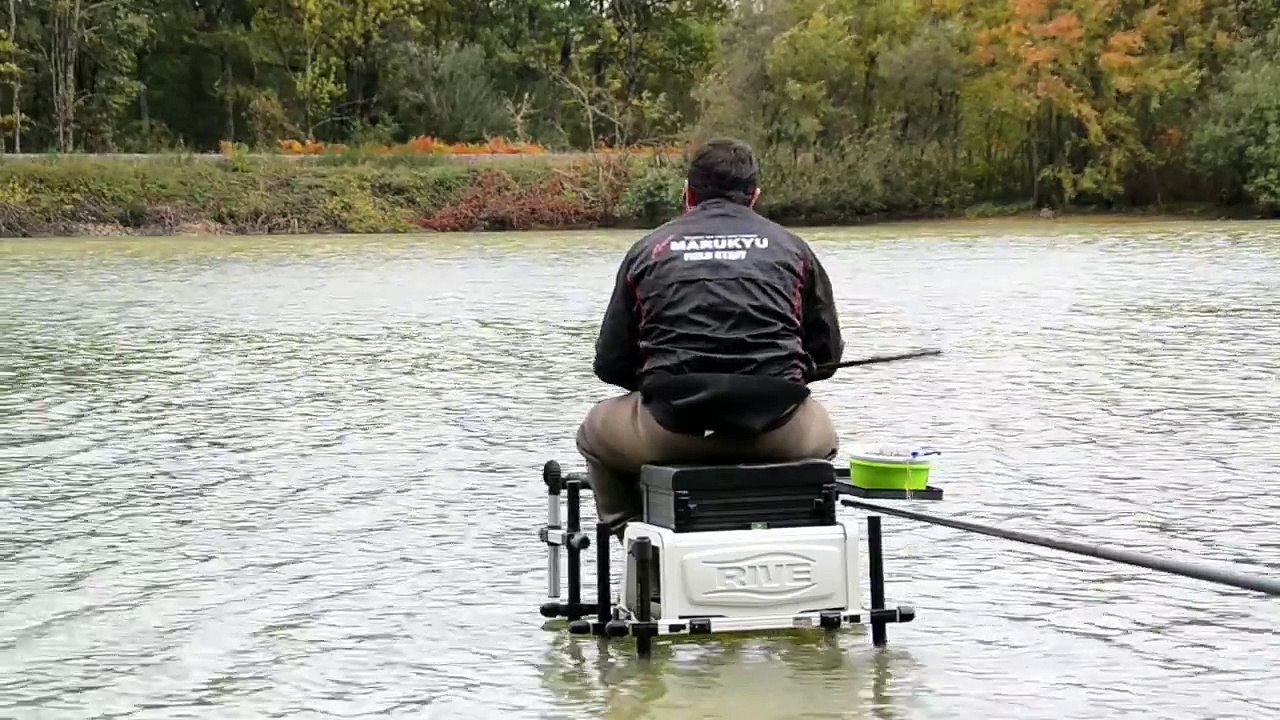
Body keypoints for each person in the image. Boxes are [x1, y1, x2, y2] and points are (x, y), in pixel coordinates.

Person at [575, 137, 845, 538]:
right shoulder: (793, 249)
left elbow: (610, 364)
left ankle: (631, 537)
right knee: (826, 435)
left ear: (688, 194)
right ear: (754, 196)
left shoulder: (649, 250)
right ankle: (795, 529)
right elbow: (826, 356)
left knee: (593, 431)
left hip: (669, 433)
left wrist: (663, 377)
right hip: (777, 432)